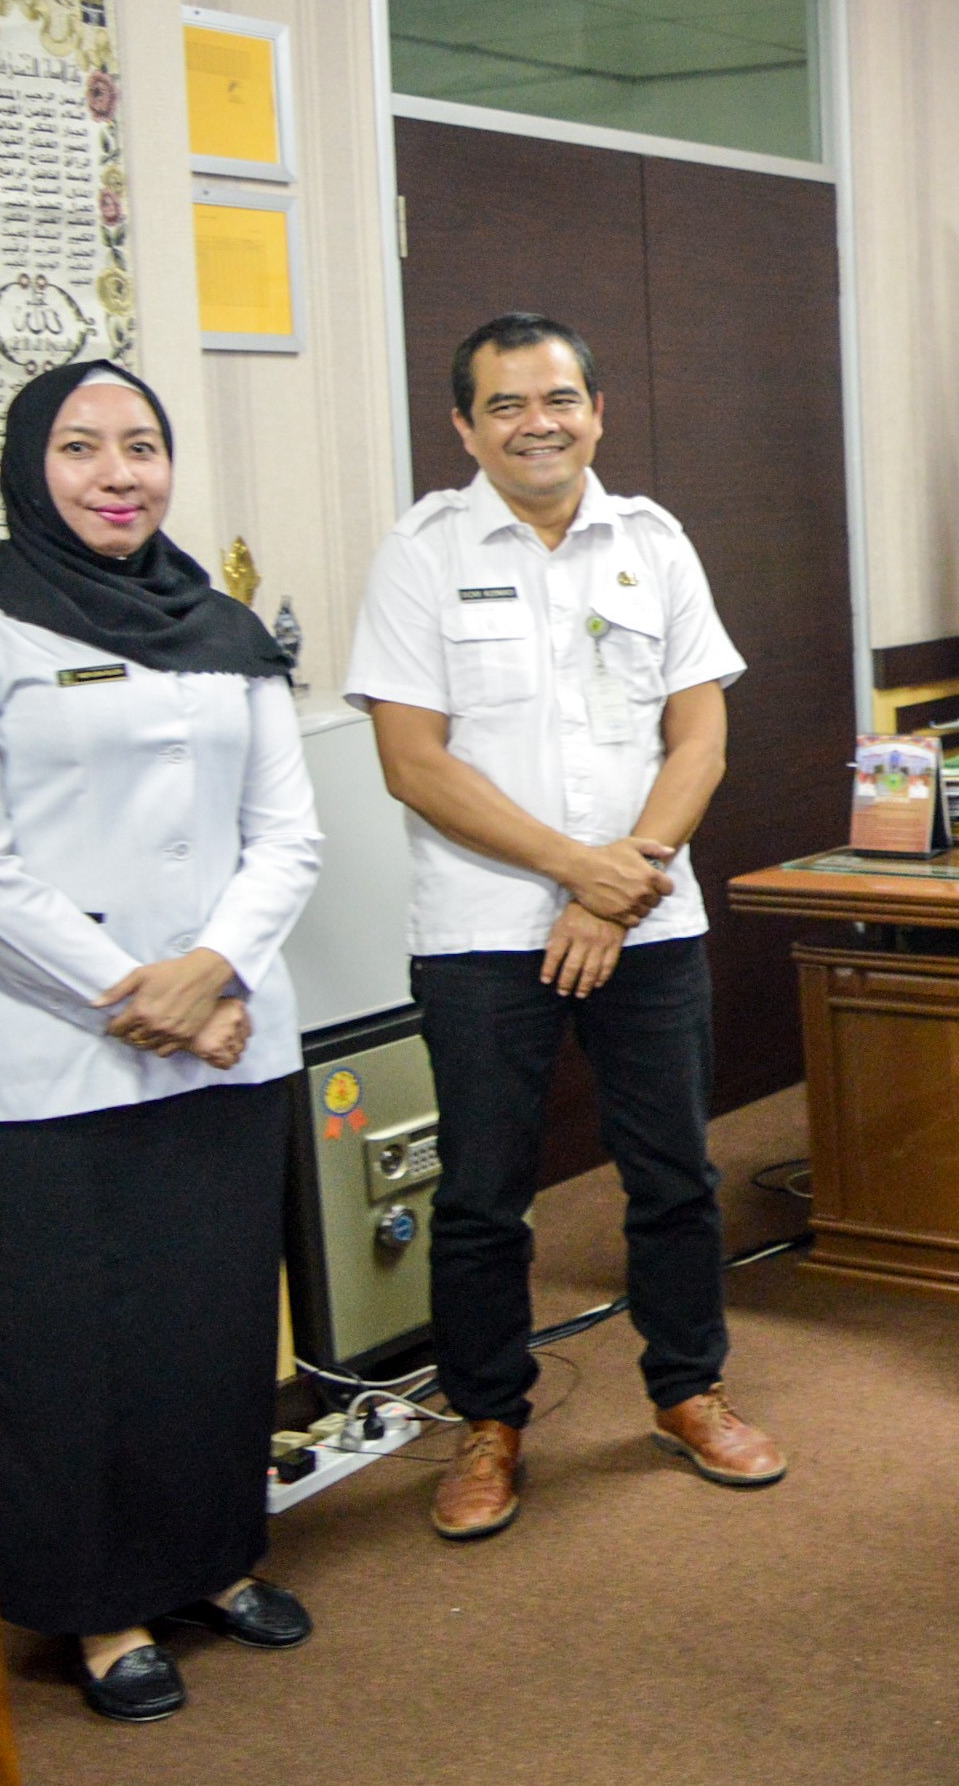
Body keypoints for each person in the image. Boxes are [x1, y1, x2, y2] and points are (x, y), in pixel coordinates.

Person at [345, 312, 784, 1544]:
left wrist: (619, 881)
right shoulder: (421, 554)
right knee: (484, 1194)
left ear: (596, 410)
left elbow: (700, 736)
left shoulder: (654, 541)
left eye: (558, 400)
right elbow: (411, 761)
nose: (535, 424)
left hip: (647, 920)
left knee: (674, 1175)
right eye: (505, 404)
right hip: (483, 929)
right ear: (463, 426)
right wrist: (576, 872)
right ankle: (489, 1422)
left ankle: (689, 1391)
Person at [0, 362, 321, 1722]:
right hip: (41, 1058)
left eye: (142, 446)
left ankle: (213, 1560)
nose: (118, 473)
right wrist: (139, 992)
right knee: (73, 1347)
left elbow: (289, 835)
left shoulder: (221, 624)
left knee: (213, 1326)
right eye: (83, 447)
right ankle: (102, 1608)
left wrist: (214, 971)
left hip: (224, 1037)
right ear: (28, 470)